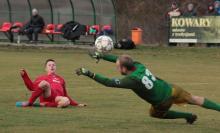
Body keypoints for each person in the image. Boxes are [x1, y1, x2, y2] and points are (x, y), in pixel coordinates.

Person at [75, 52, 220, 124]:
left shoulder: (132, 80)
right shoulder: (138, 65)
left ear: (124, 69)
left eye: (118, 66)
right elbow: (120, 59)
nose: (116, 66)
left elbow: (108, 82)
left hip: (163, 101)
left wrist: (89, 73)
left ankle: (189, 117)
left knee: (155, 114)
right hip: (171, 88)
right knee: (194, 99)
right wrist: (102, 55)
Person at [19, 59, 86, 108]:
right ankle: (30, 103)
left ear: (56, 67)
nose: (52, 66)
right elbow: (31, 87)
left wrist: (76, 104)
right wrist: (24, 76)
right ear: (46, 68)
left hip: (57, 98)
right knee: (45, 83)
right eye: (49, 65)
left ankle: (44, 104)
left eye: (54, 65)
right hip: (48, 94)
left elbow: (65, 95)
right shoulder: (41, 77)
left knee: (66, 101)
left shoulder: (61, 79)